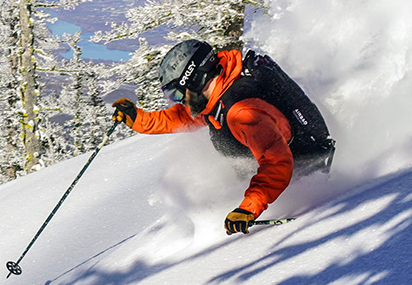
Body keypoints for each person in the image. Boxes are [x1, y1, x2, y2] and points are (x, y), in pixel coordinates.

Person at [112, 39, 294, 236]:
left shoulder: (242, 113)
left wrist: (249, 208)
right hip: (271, 187)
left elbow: (277, 163)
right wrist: (137, 119)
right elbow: (182, 117)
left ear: (195, 79)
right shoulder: (217, 98)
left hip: (293, 187)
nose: (180, 101)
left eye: (178, 94)